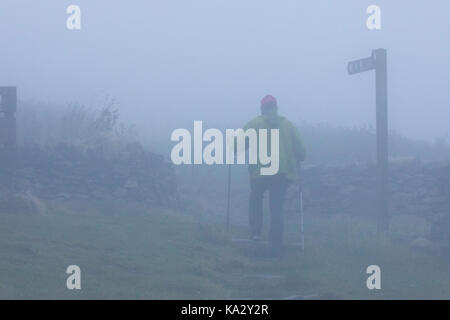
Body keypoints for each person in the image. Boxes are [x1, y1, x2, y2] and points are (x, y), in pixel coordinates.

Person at [243, 94, 306, 255]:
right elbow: (302, 151)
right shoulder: (288, 126)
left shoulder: (253, 124)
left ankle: (256, 234)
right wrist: (297, 156)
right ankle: (275, 242)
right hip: (280, 171)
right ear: (276, 107)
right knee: (276, 207)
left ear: (262, 108)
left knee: (256, 200)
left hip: (259, 171)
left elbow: (236, 145)